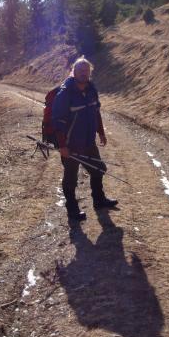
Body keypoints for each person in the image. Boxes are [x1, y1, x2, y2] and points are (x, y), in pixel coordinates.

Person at [52, 56, 118, 221]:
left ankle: (99, 200)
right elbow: (58, 122)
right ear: (73, 72)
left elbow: (96, 111)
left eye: (86, 71)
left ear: (90, 73)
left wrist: (101, 132)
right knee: (70, 179)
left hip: (88, 141)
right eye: (80, 70)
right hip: (71, 144)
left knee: (98, 169)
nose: (83, 73)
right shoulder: (65, 93)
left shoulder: (91, 90)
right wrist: (62, 146)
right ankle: (72, 210)